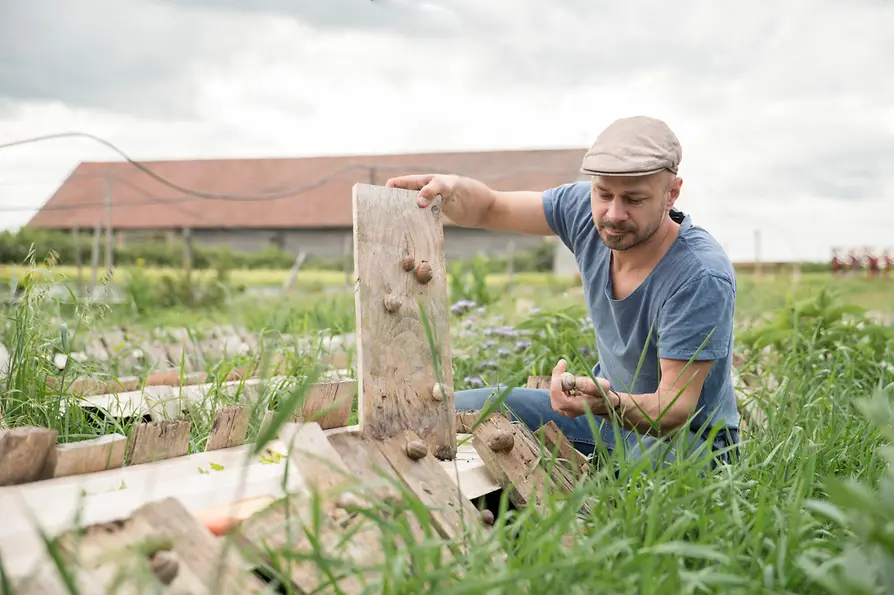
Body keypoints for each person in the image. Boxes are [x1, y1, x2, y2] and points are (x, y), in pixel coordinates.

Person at [386, 116, 740, 468]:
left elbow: (673, 410)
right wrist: (452, 188)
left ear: (671, 193)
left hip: (687, 442)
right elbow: (492, 207)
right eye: (603, 193)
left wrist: (606, 403)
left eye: (634, 199)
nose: (613, 214)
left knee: (626, 485)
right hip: (605, 419)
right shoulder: (583, 212)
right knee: (454, 409)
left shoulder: (700, 275)